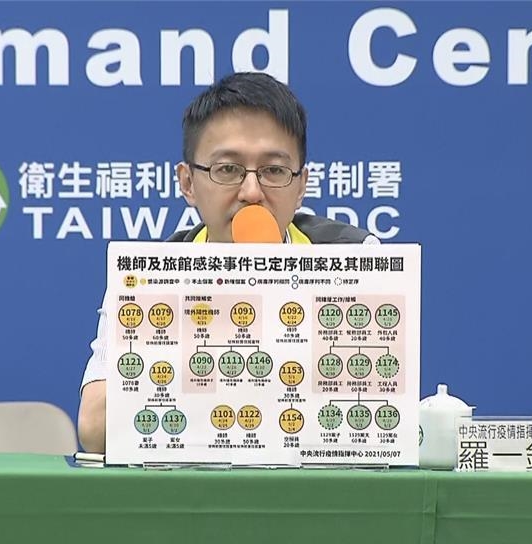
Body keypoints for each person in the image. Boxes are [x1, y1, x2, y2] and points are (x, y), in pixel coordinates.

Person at [77, 72, 379, 452]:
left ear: (301, 185)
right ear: (188, 183)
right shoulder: (146, 277)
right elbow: (96, 429)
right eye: (228, 170)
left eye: (274, 171)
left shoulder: (357, 258)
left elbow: (374, 415)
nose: (252, 192)